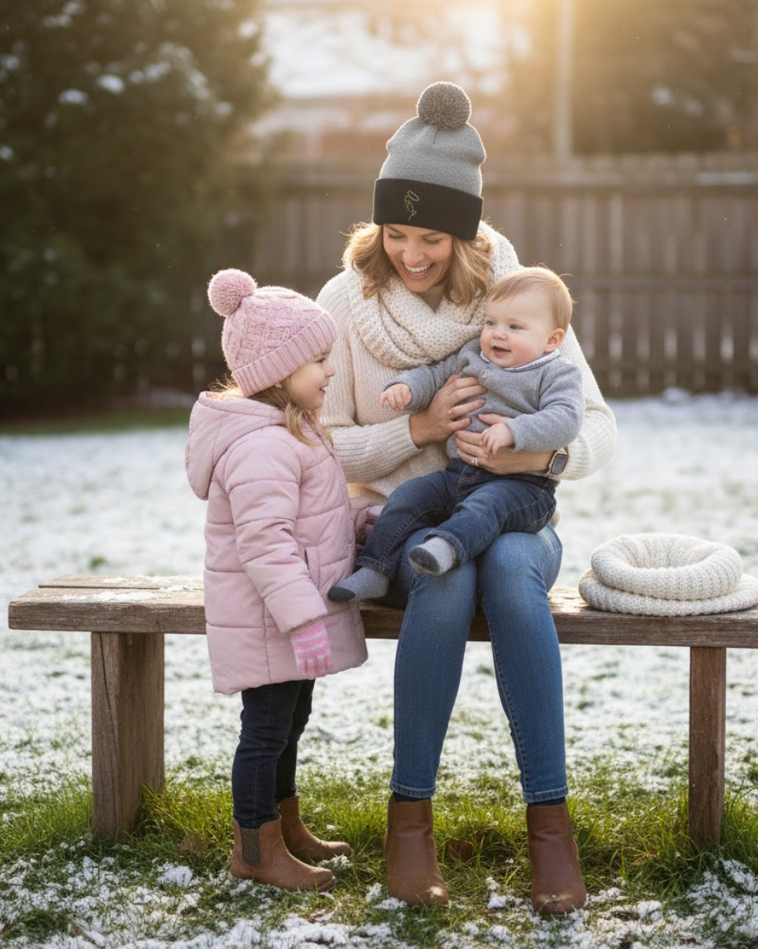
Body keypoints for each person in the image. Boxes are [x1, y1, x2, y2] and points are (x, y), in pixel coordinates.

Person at [316, 81, 617, 912]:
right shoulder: (342, 305)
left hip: (517, 506)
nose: (413, 254)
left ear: (469, 233)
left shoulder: (517, 294)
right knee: (444, 573)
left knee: (513, 574)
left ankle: (550, 830)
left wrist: (536, 459)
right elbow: (313, 442)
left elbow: (596, 425)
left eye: (434, 238)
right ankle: (409, 822)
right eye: (397, 233)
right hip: (411, 520)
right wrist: (411, 436)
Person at [185, 268, 369, 892]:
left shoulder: (293, 428)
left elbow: (313, 518)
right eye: (318, 359)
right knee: (265, 732)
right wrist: (303, 617)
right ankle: (255, 851)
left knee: (291, 722)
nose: (330, 370)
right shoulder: (261, 445)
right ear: (276, 371)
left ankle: (286, 828)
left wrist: (362, 525)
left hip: (288, 619)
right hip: (275, 621)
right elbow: (266, 543)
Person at [329, 266, 583, 600]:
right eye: (491, 323)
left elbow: (566, 418)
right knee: (409, 496)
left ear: (552, 340)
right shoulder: (473, 355)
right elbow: (435, 376)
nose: (497, 334)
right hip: (459, 474)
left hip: (524, 488)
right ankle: (375, 569)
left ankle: (446, 548)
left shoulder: (555, 373)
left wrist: (513, 430)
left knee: (484, 507)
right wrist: (407, 388)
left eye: (514, 327)